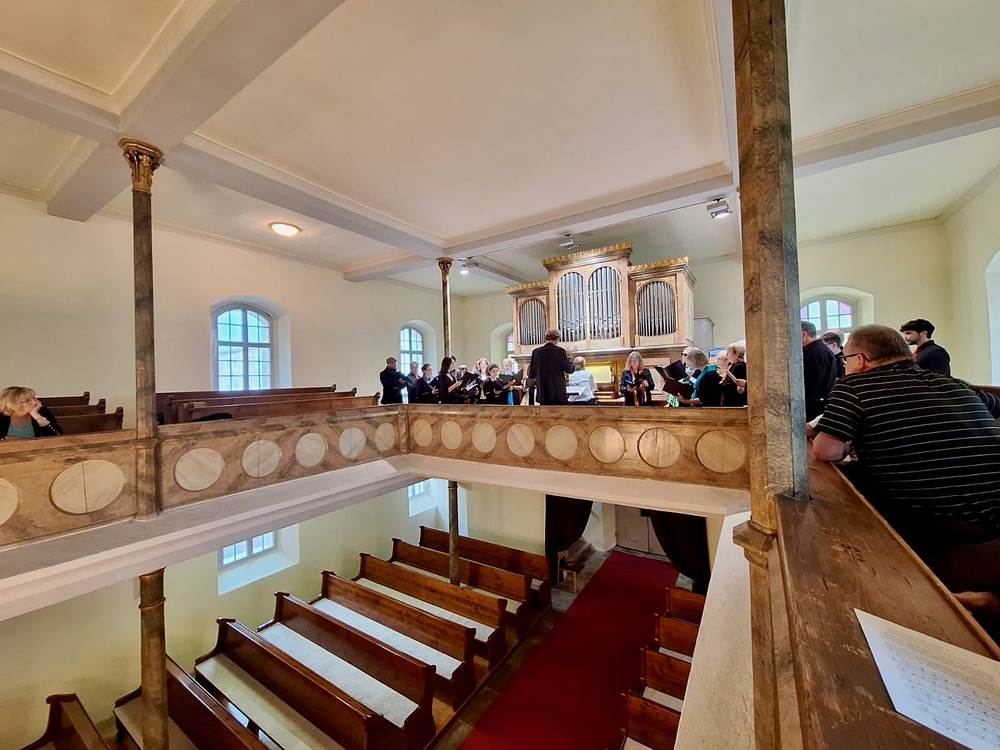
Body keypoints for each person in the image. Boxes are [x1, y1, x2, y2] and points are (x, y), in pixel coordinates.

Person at [808, 324, 1000, 603]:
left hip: (940, 516)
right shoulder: (952, 383)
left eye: (845, 359)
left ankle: (884, 590)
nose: (844, 366)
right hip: (993, 509)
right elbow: (994, 407)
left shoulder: (854, 385)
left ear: (860, 360)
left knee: (831, 496)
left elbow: (826, 451)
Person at [527, 328, 574, 405]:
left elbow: (532, 374)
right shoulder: (560, 351)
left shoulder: (536, 352)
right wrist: (569, 358)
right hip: (558, 393)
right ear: (558, 338)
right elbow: (569, 370)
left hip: (543, 393)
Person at [801, 321, 837, 420]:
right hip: (817, 404)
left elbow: (812, 384)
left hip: (813, 407)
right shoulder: (820, 350)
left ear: (803, 334)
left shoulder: (815, 353)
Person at [722, 342, 748, 407]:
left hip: (735, 401)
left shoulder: (738, 366)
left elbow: (731, 384)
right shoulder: (736, 365)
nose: (726, 354)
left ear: (736, 354)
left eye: (728, 352)